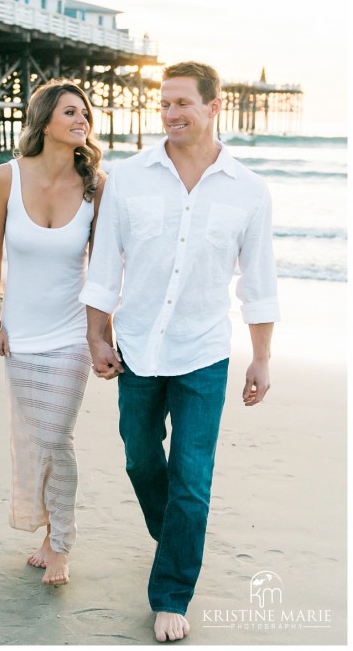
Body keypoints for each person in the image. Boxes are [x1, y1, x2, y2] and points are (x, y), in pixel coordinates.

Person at [79, 61, 280, 641]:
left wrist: (261, 356)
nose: (169, 114)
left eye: (182, 104)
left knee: (192, 478)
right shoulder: (129, 177)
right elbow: (104, 264)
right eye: (163, 103)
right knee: (141, 460)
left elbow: (258, 283)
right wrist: (98, 333)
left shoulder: (249, 191)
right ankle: (178, 536)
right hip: (137, 346)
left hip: (204, 352)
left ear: (213, 106)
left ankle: (171, 592)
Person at [0, 78, 106, 586]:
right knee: (37, 438)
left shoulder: (98, 184)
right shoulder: (6, 178)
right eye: (70, 112)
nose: (82, 120)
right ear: (45, 120)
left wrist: (102, 335)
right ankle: (48, 529)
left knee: (58, 436)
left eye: (85, 114)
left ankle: (62, 543)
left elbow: (101, 268)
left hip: (71, 333)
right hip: (22, 334)